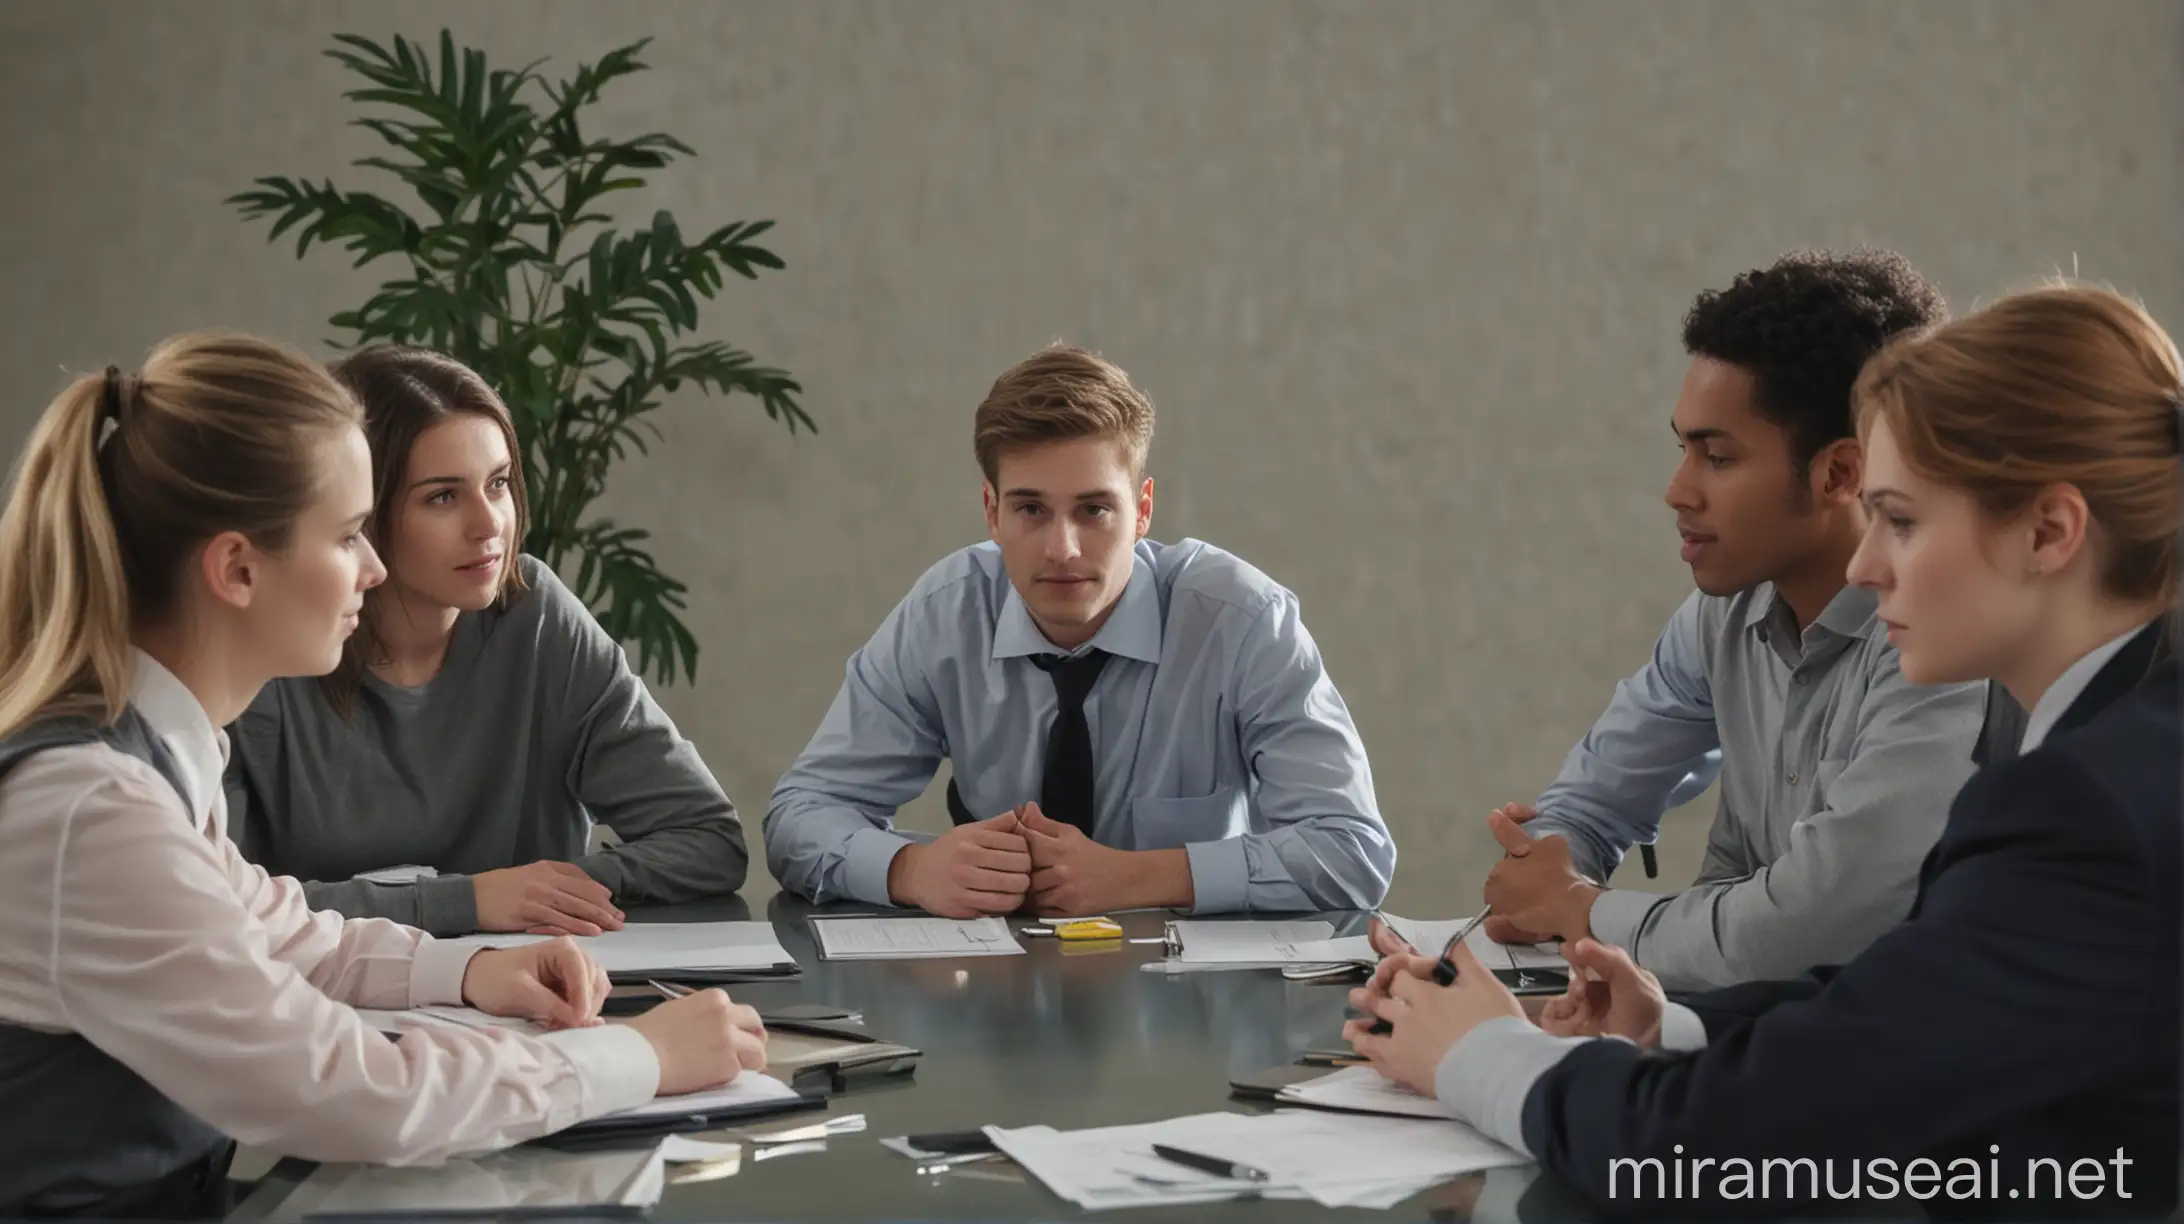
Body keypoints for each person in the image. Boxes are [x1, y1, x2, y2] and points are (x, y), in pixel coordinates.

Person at [1347, 284, 2180, 1217]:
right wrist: (1680, 1028)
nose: (1867, 565)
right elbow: (1907, 1002)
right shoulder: (2111, 751)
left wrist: (1480, 1057)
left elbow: (1722, 1149)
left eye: (1901, 520)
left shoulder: (2087, 807)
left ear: (2051, 532)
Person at [0, 333, 768, 1218]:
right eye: (345, 536)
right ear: (239, 569)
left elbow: (283, 934)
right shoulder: (94, 808)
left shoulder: (151, 754)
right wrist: (640, 1059)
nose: (371, 568)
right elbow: (350, 1091)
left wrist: (471, 968)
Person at [1479, 249, 1987, 991]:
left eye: (1716, 457)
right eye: (1682, 449)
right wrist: (1549, 864)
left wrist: (1584, 911)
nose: (1677, 491)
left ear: (1840, 473)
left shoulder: (1945, 642)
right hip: (1753, 1042)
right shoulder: (1723, 614)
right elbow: (1592, 800)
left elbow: (1804, 931)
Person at [765, 343, 1391, 917]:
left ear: (1142, 510)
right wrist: (909, 867)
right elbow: (799, 815)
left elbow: (1352, 850)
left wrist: (1141, 878)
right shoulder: (945, 615)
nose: (1062, 548)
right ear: (992, 511)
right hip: (997, 997)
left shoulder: (1243, 622)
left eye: (1094, 510)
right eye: (1030, 508)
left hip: (1195, 1010)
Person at [224, 346, 748, 938]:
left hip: (537, 999)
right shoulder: (270, 649)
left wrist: (543, 892)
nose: (489, 523)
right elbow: (218, 904)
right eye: (443, 497)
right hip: (325, 1002)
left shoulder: (536, 617)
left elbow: (707, 839)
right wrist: (468, 901)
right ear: (359, 513)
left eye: (497, 484)